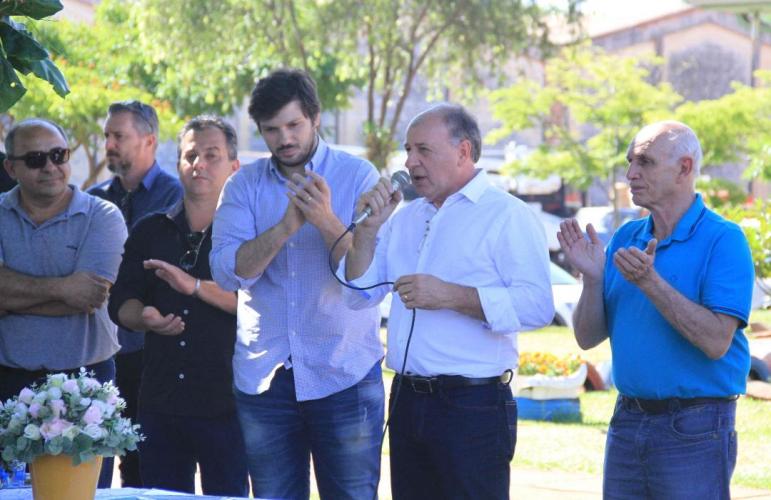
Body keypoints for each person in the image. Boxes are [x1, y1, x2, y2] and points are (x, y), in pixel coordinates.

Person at [343, 104, 554, 500]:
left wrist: (452, 296)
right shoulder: (403, 218)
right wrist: (368, 230)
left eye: (423, 150)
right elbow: (358, 296)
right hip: (406, 399)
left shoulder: (507, 215)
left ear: (463, 151)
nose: (410, 162)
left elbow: (537, 306)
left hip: (472, 405)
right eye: (407, 150)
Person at [210, 69, 384, 499]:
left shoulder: (358, 176)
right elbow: (227, 273)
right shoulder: (242, 185)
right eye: (271, 130)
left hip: (343, 372)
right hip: (265, 376)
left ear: (316, 117)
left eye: (293, 125)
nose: (284, 138)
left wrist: (325, 221)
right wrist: (285, 227)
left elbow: (366, 290)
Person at [558, 121, 753, 499]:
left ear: (684, 168)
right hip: (627, 420)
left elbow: (716, 341)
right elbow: (587, 337)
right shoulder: (626, 237)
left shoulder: (724, 240)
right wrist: (593, 279)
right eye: (631, 161)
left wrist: (651, 283)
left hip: (695, 426)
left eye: (645, 162)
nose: (631, 173)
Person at [108, 116, 247, 495]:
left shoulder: (247, 234)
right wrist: (144, 318)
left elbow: (258, 304)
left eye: (211, 155)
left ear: (234, 167)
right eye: (190, 155)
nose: (199, 164)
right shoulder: (150, 230)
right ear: (178, 164)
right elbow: (121, 301)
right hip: (161, 401)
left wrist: (196, 287)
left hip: (229, 403)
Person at [0, 118, 127, 488]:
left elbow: (89, 297)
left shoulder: (103, 216)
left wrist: (11, 295)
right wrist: (63, 289)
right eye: (36, 158)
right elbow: (73, 294)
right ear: (11, 167)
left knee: (82, 494)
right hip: (9, 383)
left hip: (87, 385)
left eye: (58, 154)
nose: (51, 166)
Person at [89, 100, 182, 487]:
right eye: (107, 135)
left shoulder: (175, 199)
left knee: (146, 464)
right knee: (92, 457)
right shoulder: (93, 199)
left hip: (152, 349)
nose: (109, 143)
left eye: (119, 136)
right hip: (99, 348)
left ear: (149, 140)